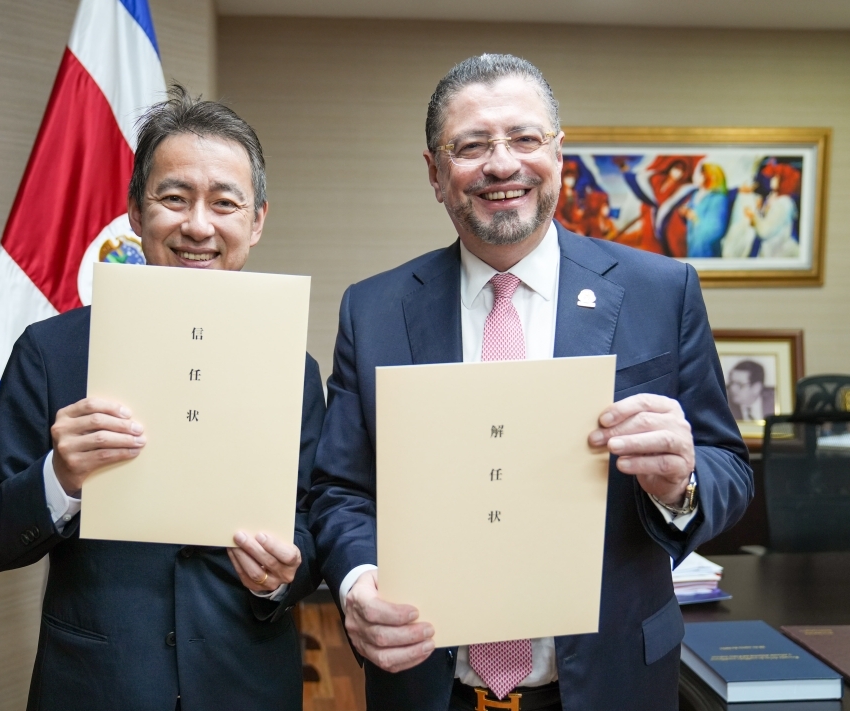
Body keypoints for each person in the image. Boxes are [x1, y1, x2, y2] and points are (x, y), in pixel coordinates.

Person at [308, 54, 752, 711]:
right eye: (471, 146)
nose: (501, 164)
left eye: (524, 138)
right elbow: (340, 489)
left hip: (614, 682)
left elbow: (728, 467)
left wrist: (681, 482)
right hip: (428, 685)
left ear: (558, 154)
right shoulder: (373, 311)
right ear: (435, 173)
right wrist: (357, 581)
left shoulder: (662, 291)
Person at [0, 85, 325, 711]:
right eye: (174, 198)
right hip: (95, 685)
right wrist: (60, 478)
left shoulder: (293, 364)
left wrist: (283, 575)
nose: (198, 225)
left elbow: (316, 526)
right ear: (134, 211)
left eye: (225, 202)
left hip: (246, 683)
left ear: (257, 220)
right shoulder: (50, 351)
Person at [682, 162, 730, 258]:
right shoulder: (696, 194)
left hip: (707, 252)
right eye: (701, 174)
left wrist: (695, 218)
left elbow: (716, 229)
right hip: (692, 247)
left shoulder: (719, 199)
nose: (700, 177)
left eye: (703, 174)